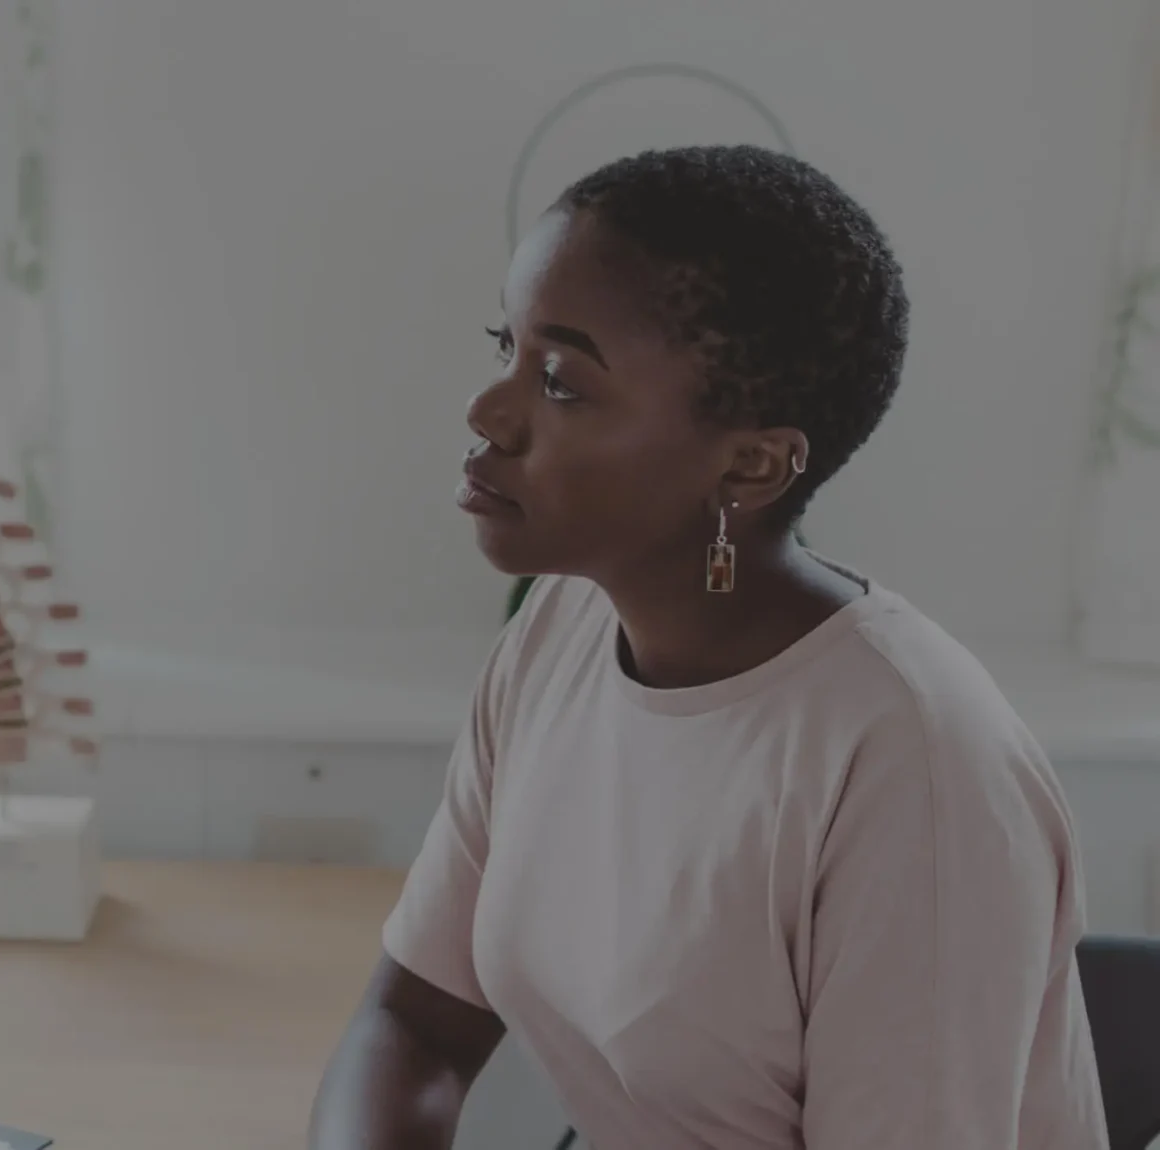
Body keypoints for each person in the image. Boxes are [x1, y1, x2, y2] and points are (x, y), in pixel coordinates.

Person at [307, 145, 1108, 1148]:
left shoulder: (915, 762)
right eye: (501, 345)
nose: (486, 411)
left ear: (751, 464)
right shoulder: (559, 632)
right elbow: (411, 1024)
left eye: (558, 380)